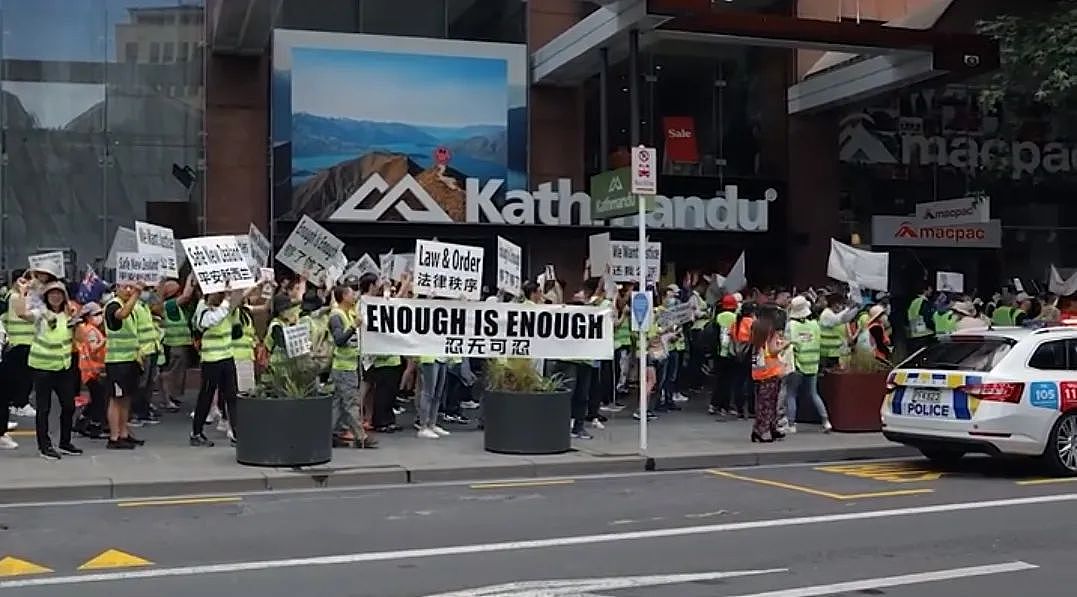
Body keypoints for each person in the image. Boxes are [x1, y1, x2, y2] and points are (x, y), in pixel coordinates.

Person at [21, 281, 81, 459]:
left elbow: (77, 339)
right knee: (44, 408)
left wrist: (76, 321)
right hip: (42, 367)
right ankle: (44, 446)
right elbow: (23, 314)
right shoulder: (41, 314)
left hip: (63, 367)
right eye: (52, 294)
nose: (56, 297)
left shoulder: (68, 315)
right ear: (46, 297)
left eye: (59, 294)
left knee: (69, 406)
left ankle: (65, 442)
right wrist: (23, 293)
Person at [190, 286, 244, 447]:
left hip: (227, 358)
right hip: (211, 361)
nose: (219, 295)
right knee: (206, 397)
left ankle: (236, 433)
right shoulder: (202, 311)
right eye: (216, 292)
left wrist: (256, 284)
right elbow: (214, 320)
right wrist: (227, 300)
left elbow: (237, 302)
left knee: (232, 396)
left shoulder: (226, 308)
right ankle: (196, 433)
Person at [103, 281, 146, 449]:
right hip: (117, 361)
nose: (129, 290)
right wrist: (136, 294)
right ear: (116, 288)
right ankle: (114, 437)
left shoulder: (129, 305)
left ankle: (124, 433)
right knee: (116, 398)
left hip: (130, 359)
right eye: (125, 287)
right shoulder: (113, 305)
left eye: (131, 287)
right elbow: (121, 315)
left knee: (126, 398)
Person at [328, 284, 370, 445]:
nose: (355, 296)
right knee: (350, 402)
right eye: (352, 294)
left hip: (347, 366)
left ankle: (332, 434)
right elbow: (339, 340)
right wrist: (354, 326)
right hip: (344, 368)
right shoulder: (337, 316)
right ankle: (361, 437)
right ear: (344, 296)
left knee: (337, 403)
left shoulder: (348, 313)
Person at [784, 296, 831, 433]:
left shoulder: (791, 326)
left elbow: (787, 345)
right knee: (813, 394)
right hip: (813, 364)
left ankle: (791, 424)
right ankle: (826, 421)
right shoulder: (815, 325)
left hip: (797, 364)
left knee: (791, 394)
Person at [159, 274, 197, 411]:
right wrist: (191, 277)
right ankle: (167, 399)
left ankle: (171, 397)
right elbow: (187, 296)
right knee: (170, 373)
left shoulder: (172, 306)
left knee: (176, 373)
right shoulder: (169, 305)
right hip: (174, 345)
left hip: (178, 344)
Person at [749, 311, 787, 443]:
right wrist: (784, 345)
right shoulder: (771, 331)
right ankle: (766, 430)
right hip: (772, 372)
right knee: (770, 404)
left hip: (759, 373)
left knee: (762, 403)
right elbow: (773, 350)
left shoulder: (757, 329)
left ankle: (759, 429)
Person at [73, 302, 109, 439]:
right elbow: (93, 349)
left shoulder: (87, 329)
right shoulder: (90, 331)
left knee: (95, 400)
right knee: (99, 400)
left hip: (90, 370)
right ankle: (95, 427)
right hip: (93, 371)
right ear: (88, 317)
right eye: (96, 314)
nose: (100, 317)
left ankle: (81, 423)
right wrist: (105, 341)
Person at [709, 294, 739, 416]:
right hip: (730, 352)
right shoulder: (736, 317)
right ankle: (725, 406)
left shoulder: (718, 317)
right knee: (729, 381)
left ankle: (713, 404)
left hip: (718, 352)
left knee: (719, 379)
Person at [906, 285, 935, 354]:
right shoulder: (924, 303)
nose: (932, 291)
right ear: (925, 290)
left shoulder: (914, 302)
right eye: (930, 289)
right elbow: (927, 318)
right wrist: (934, 327)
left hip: (914, 333)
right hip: (924, 333)